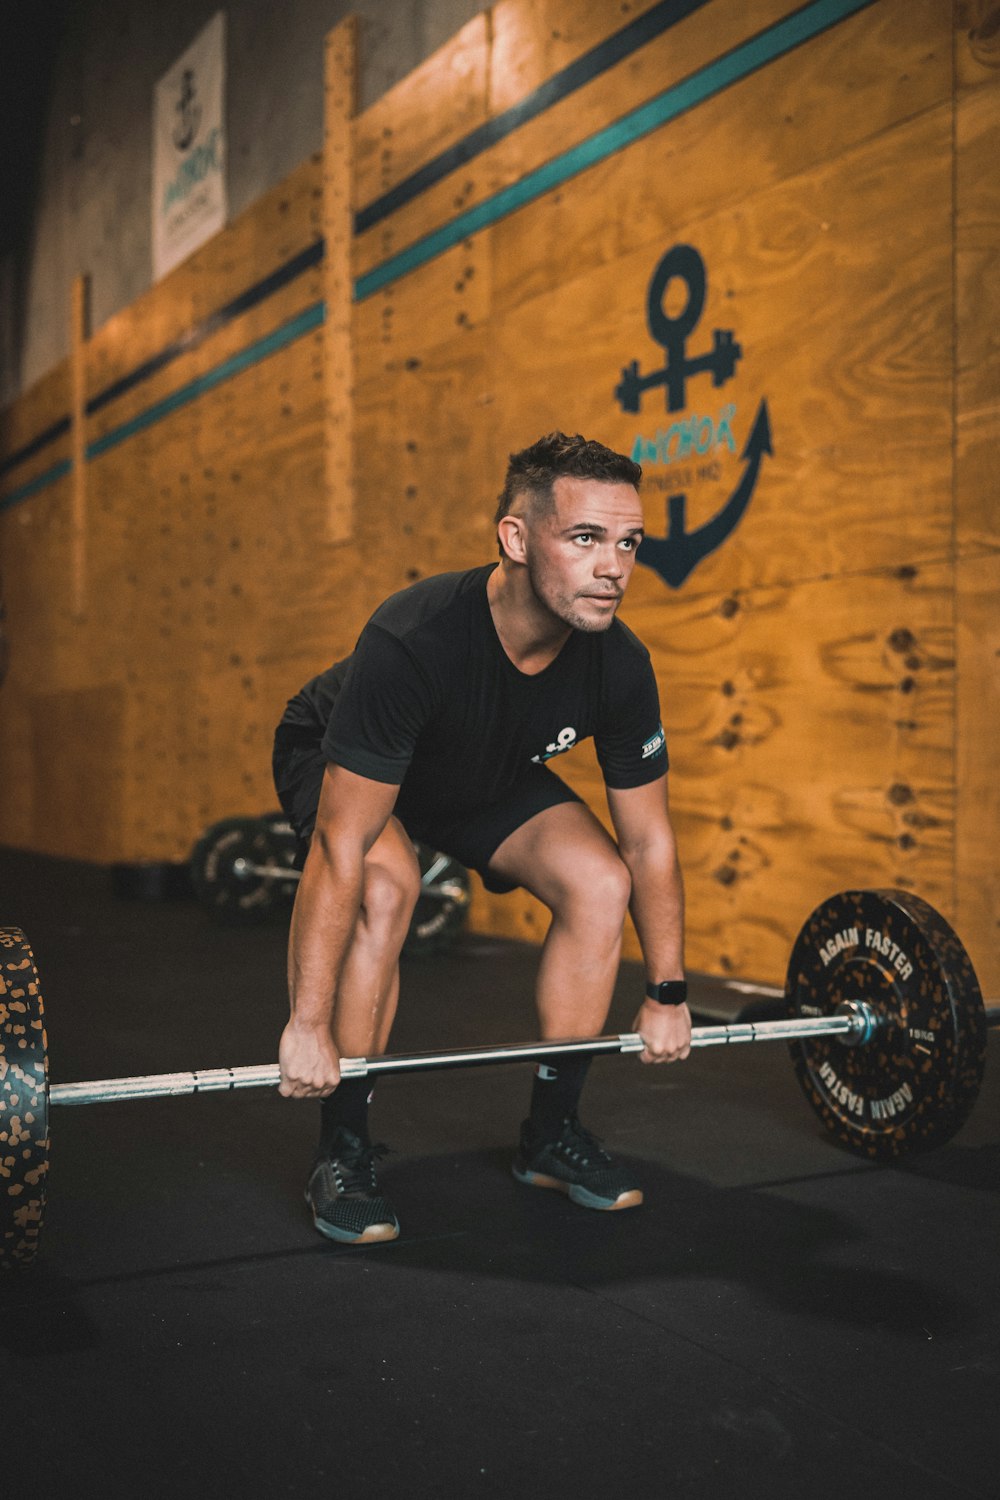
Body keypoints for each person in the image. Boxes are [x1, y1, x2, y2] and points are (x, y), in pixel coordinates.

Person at [272, 432, 690, 1244]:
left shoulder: (619, 663)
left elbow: (649, 846)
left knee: (601, 883)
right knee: (387, 885)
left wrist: (667, 992)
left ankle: (551, 1134)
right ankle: (343, 1147)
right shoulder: (414, 638)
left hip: (480, 769)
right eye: (586, 538)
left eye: (629, 542)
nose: (615, 565)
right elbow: (342, 851)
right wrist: (307, 1026)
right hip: (344, 756)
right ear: (515, 538)